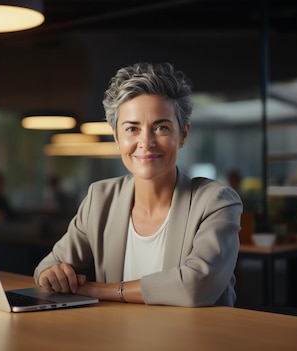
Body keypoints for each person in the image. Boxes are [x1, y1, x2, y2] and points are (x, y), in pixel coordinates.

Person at [33, 62, 243, 307]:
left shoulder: (216, 202)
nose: (146, 142)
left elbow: (196, 286)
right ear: (117, 138)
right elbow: (47, 267)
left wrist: (96, 290)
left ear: (183, 134)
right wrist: (52, 276)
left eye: (161, 127)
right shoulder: (100, 198)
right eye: (132, 128)